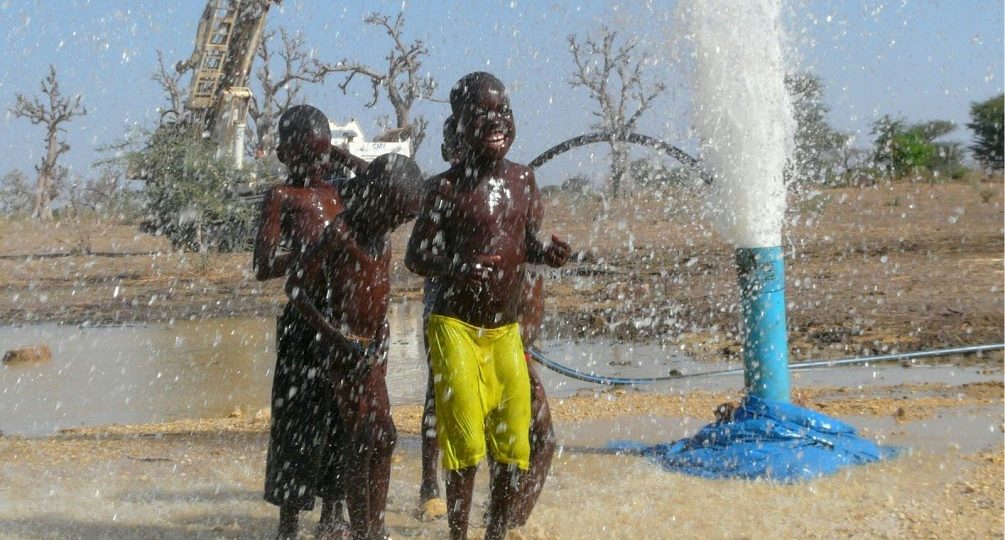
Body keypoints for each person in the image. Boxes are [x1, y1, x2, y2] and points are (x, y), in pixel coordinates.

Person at [405, 72, 571, 540]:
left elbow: (526, 245)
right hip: (454, 324)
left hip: (504, 331)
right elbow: (416, 257)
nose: (496, 122)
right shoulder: (444, 188)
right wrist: (458, 266)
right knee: (465, 441)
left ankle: (496, 532)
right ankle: (458, 531)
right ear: (459, 126)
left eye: (503, 112)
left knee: (512, 439)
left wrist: (548, 255)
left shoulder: (524, 181)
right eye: (482, 115)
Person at [287, 152, 423, 540]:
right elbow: (295, 288)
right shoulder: (340, 234)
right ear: (372, 198)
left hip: (371, 352)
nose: (395, 226)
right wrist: (335, 337)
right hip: (343, 353)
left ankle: (372, 528)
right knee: (367, 434)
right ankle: (366, 530)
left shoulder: (381, 240)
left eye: (402, 221)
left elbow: (377, 296)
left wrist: (381, 333)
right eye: (393, 216)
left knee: (382, 436)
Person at [254, 104, 359, 540]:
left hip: (340, 324)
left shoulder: (339, 193)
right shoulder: (281, 197)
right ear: (285, 154)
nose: (318, 164)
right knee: (296, 422)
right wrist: (309, 256)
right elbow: (263, 265)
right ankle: (290, 521)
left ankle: (334, 512)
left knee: (340, 419)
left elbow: (386, 179)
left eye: (323, 155)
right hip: (301, 323)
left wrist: (342, 156)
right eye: (309, 155)